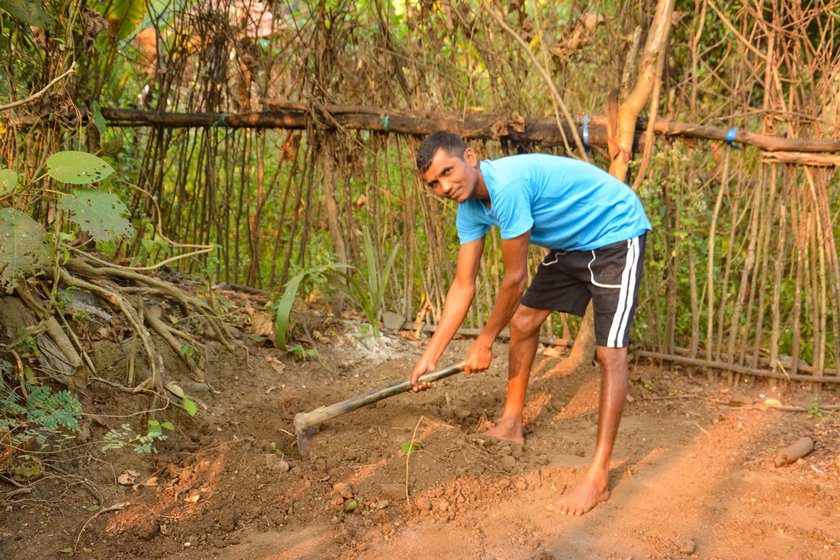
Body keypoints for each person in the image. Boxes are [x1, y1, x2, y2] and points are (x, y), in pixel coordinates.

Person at [408, 130, 650, 516]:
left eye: (448, 172)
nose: (444, 186)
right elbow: (462, 285)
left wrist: (485, 340)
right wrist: (430, 355)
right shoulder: (469, 210)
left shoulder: (508, 186)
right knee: (523, 322)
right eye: (434, 183)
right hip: (573, 244)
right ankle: (511, 424)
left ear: (470, 156)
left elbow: (515, 278)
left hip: (614, 232)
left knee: (611, 353)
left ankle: (598, 478)